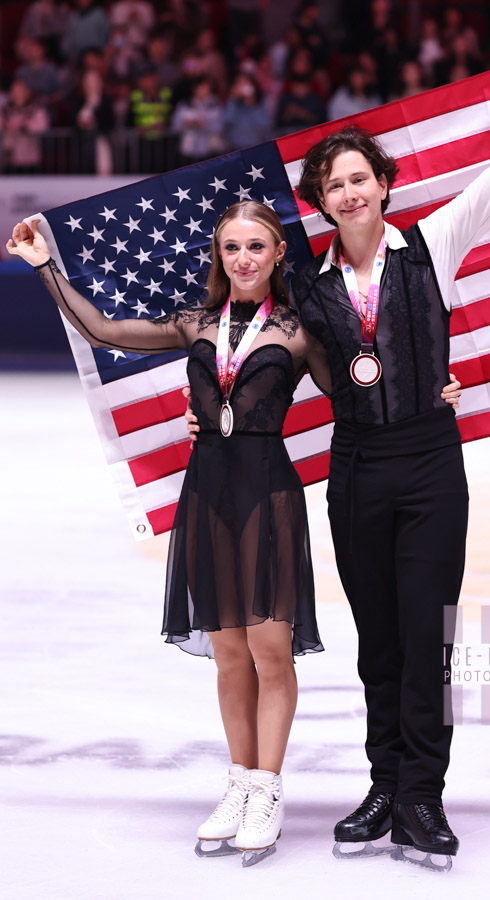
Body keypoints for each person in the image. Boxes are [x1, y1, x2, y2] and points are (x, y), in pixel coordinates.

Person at [186, 34, 490, 870]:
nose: (350, 193)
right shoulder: (305, 286)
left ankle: (423, 796)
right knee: (378, 643)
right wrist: (206, 403)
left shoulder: (434, 245)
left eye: (361, 178)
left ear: (384, 184)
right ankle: (384, 786)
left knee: (426, 638)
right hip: (355, 469)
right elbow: (241, 330)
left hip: (428, 465)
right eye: (334, 184)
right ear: (320, 201)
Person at [5, 201, 332, 866]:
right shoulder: (195, 323)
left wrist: (430, 388)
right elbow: (101, 330)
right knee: (230, 655)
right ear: (220, 256)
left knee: (271, 651)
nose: (243, 259)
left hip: (267, 494)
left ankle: (268, 789)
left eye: (256, 246)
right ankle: (240, 782)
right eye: (232, 247)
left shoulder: (300, 331)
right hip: (207, 492)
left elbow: (356, 393)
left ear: (277, 254)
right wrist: (45, 266)